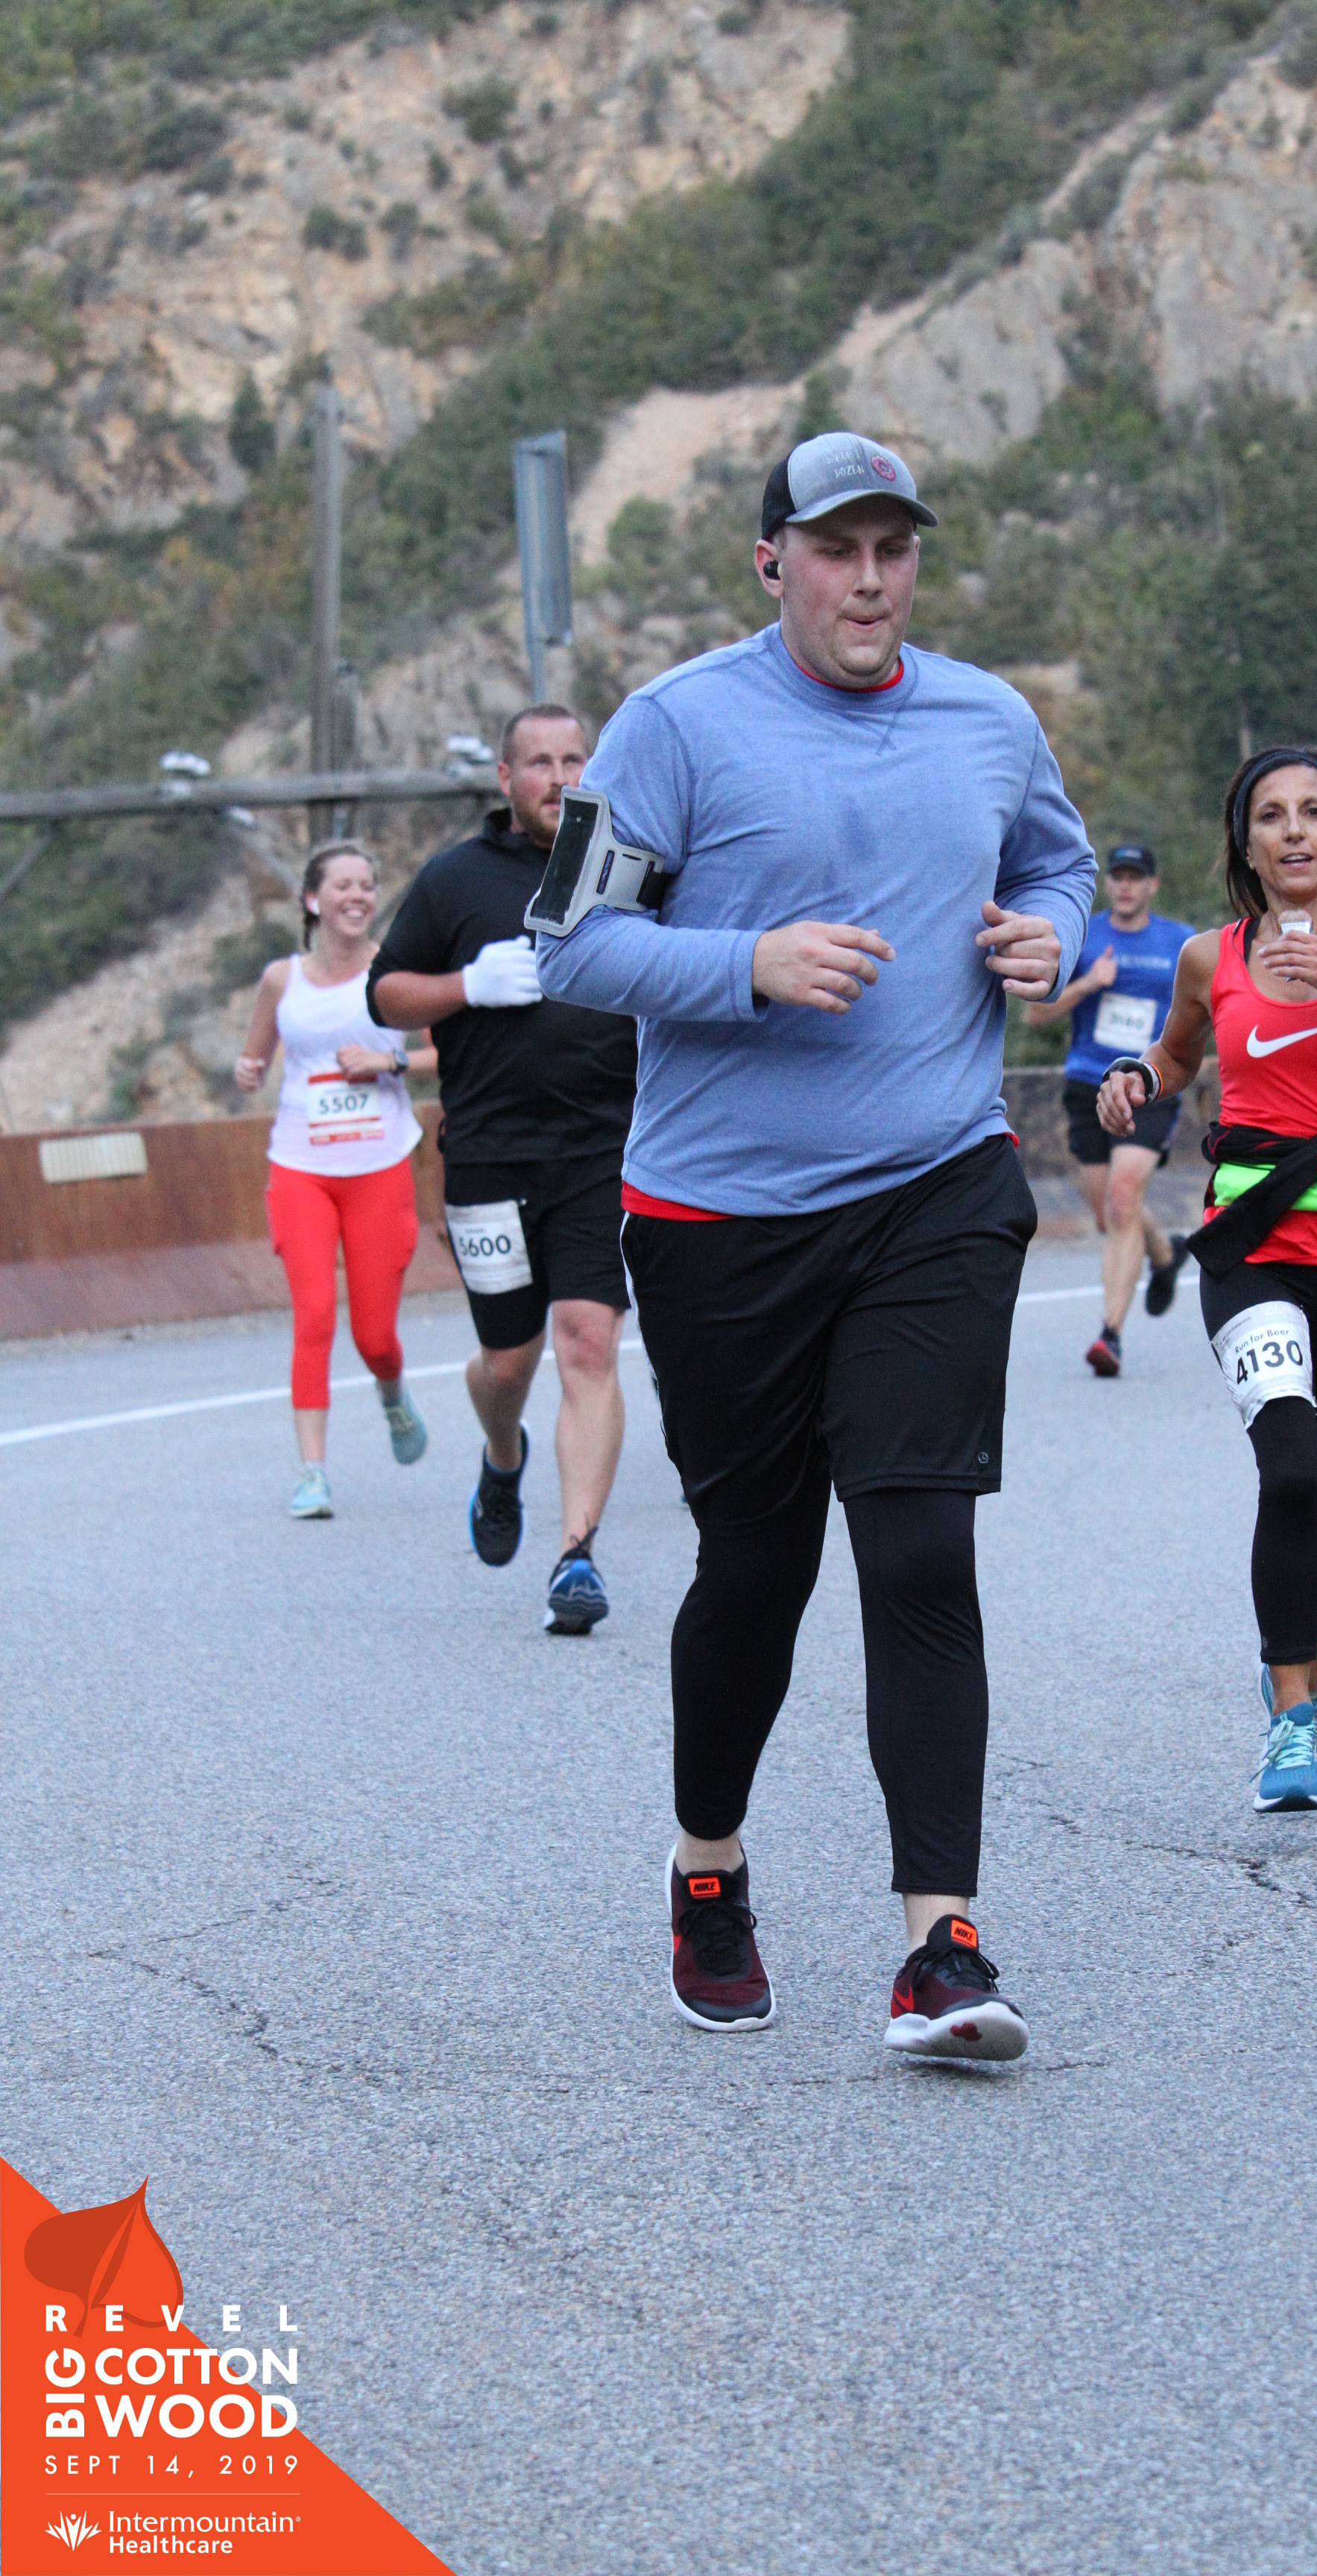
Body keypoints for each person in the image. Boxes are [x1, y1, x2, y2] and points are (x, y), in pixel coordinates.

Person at [534, 430, 1095, 2056]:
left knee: (918, 1550)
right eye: (835, 549)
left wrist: (1047, 931)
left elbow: (1055, 859)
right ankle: (708, 1868)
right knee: (758, 1569)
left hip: (935, 1185)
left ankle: (941, 1948)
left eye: (891, 549)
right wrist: (746, 965)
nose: (867, 579)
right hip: (722, 1220)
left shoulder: (988, 720)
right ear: (771, 561)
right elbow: (568, 945)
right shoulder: (674, 726)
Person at [1099, 750, 1317, 1811]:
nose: (1293, 831)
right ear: (1246, 844)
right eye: (1271, 816)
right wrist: (1139, 1078)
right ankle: (1291, 1718)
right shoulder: (1209, 957)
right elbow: (1176, 1055)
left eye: (1313, 813)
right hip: (1254, 1244)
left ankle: (1305, 1676)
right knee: (1292, 1471)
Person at [367, 706, 637, 1634]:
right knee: (509, 1362)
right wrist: (466, 986)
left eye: (574, 760)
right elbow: (385, 995)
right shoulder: (457, 878)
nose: (559, 778)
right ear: (505, 779)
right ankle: (502, 1454)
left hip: (604, 1150)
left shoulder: (628, 870)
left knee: (587, 1342)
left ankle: (576, 1555)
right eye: (540, 763)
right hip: (488, 1158)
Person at [236, 842, 437, 1519]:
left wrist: (388, 1061)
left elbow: (445, 1051)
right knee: (315, 1314)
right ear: (312, 900)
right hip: (301, 1165)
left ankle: (392, 1391)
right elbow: (254, 1059)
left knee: (374, 1335)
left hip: (378, 1165)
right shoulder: (280, 980)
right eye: (343, 885)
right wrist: (246, 1071)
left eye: (367, 886)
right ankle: (312, 1473)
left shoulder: (394, 974)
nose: (358, 896)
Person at [1026, 842, 1195, 1374]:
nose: (1125, 885)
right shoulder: (1084, 936)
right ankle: (1164, 1254)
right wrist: (1088, 984)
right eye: (1117, 876)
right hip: (1087, 1083)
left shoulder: (1180, 942)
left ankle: (1110, 1335)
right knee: (1110, 1213)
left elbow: (1205, 1010)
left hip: (1148, 1083)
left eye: (1135, 877)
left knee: (1124, 1196)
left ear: (1152, 885)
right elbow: (1035, 1015)